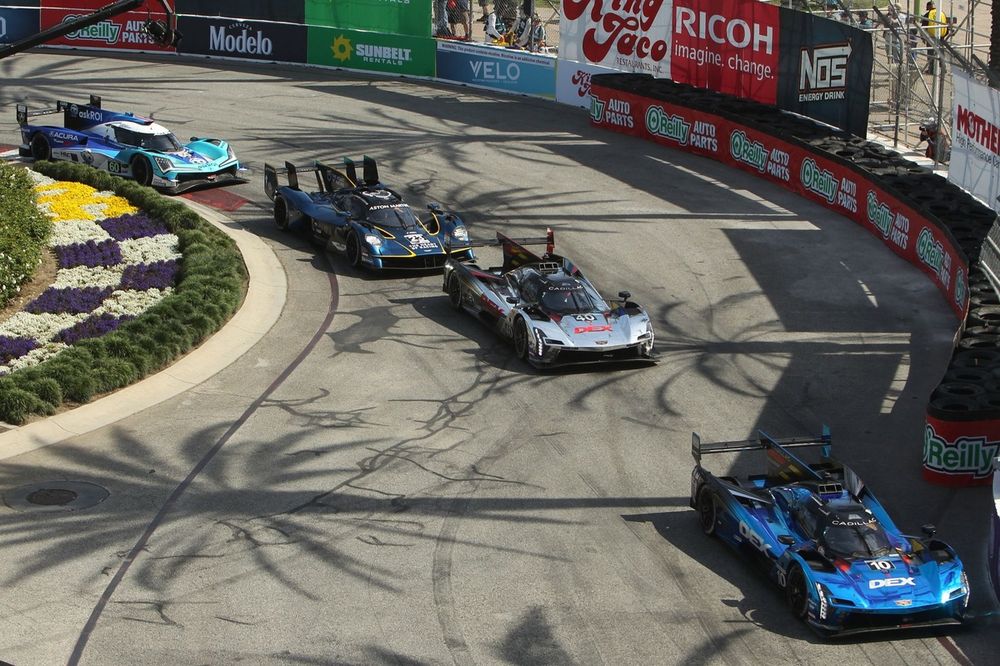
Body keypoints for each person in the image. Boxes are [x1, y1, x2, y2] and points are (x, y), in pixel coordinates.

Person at [921, 0, 949, 74]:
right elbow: (946, 25)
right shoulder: (942, 13)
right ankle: (943, 68)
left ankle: (931, 70)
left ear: (929, 6)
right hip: (941, 37)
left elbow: (923, 27)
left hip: (931, 37)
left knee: (931, 53)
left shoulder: (927, 15)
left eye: (927, 6)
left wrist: (923, 37)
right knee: (941, 53)